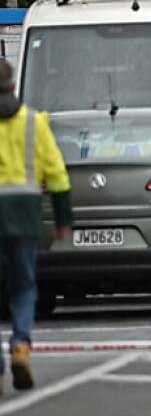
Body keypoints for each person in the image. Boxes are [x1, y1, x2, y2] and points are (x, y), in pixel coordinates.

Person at [0, 59, 71, 391]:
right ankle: (20, 345)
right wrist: (62, 219)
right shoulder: (34, 122)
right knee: (25, 287)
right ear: (14, 85)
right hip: (25, 216)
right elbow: (56, 173)